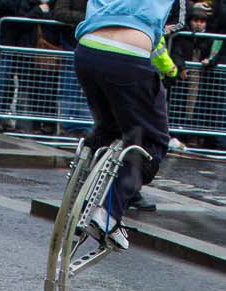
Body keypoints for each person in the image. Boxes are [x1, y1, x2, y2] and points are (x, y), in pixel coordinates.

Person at [71, 0, 173, 244]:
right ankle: (108, 214)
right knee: (151, 142)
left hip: (88, 48)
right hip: (129, 52)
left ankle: (80, 190)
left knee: (109, 127)